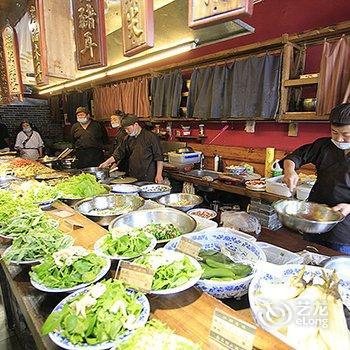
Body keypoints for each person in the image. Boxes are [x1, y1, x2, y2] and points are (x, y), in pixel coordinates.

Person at [282, 103, 350, 253]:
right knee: (307, 257)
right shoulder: (323, 146)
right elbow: (295, 157)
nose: (339, 139)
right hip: (314, 217)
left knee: (335, 268)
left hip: (344, 229)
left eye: (346, 135)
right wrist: (289, 170)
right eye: (334, 132)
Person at [100, 114, 164, 183]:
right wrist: (106, 162)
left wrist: (159, 174)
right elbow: (118, 153)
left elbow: (159, 157)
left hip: (148, 176)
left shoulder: (151, 137)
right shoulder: (127, 138)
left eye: (128, 129)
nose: (127, 131)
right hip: (133, 176)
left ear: (135, 125)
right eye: (125, 129)